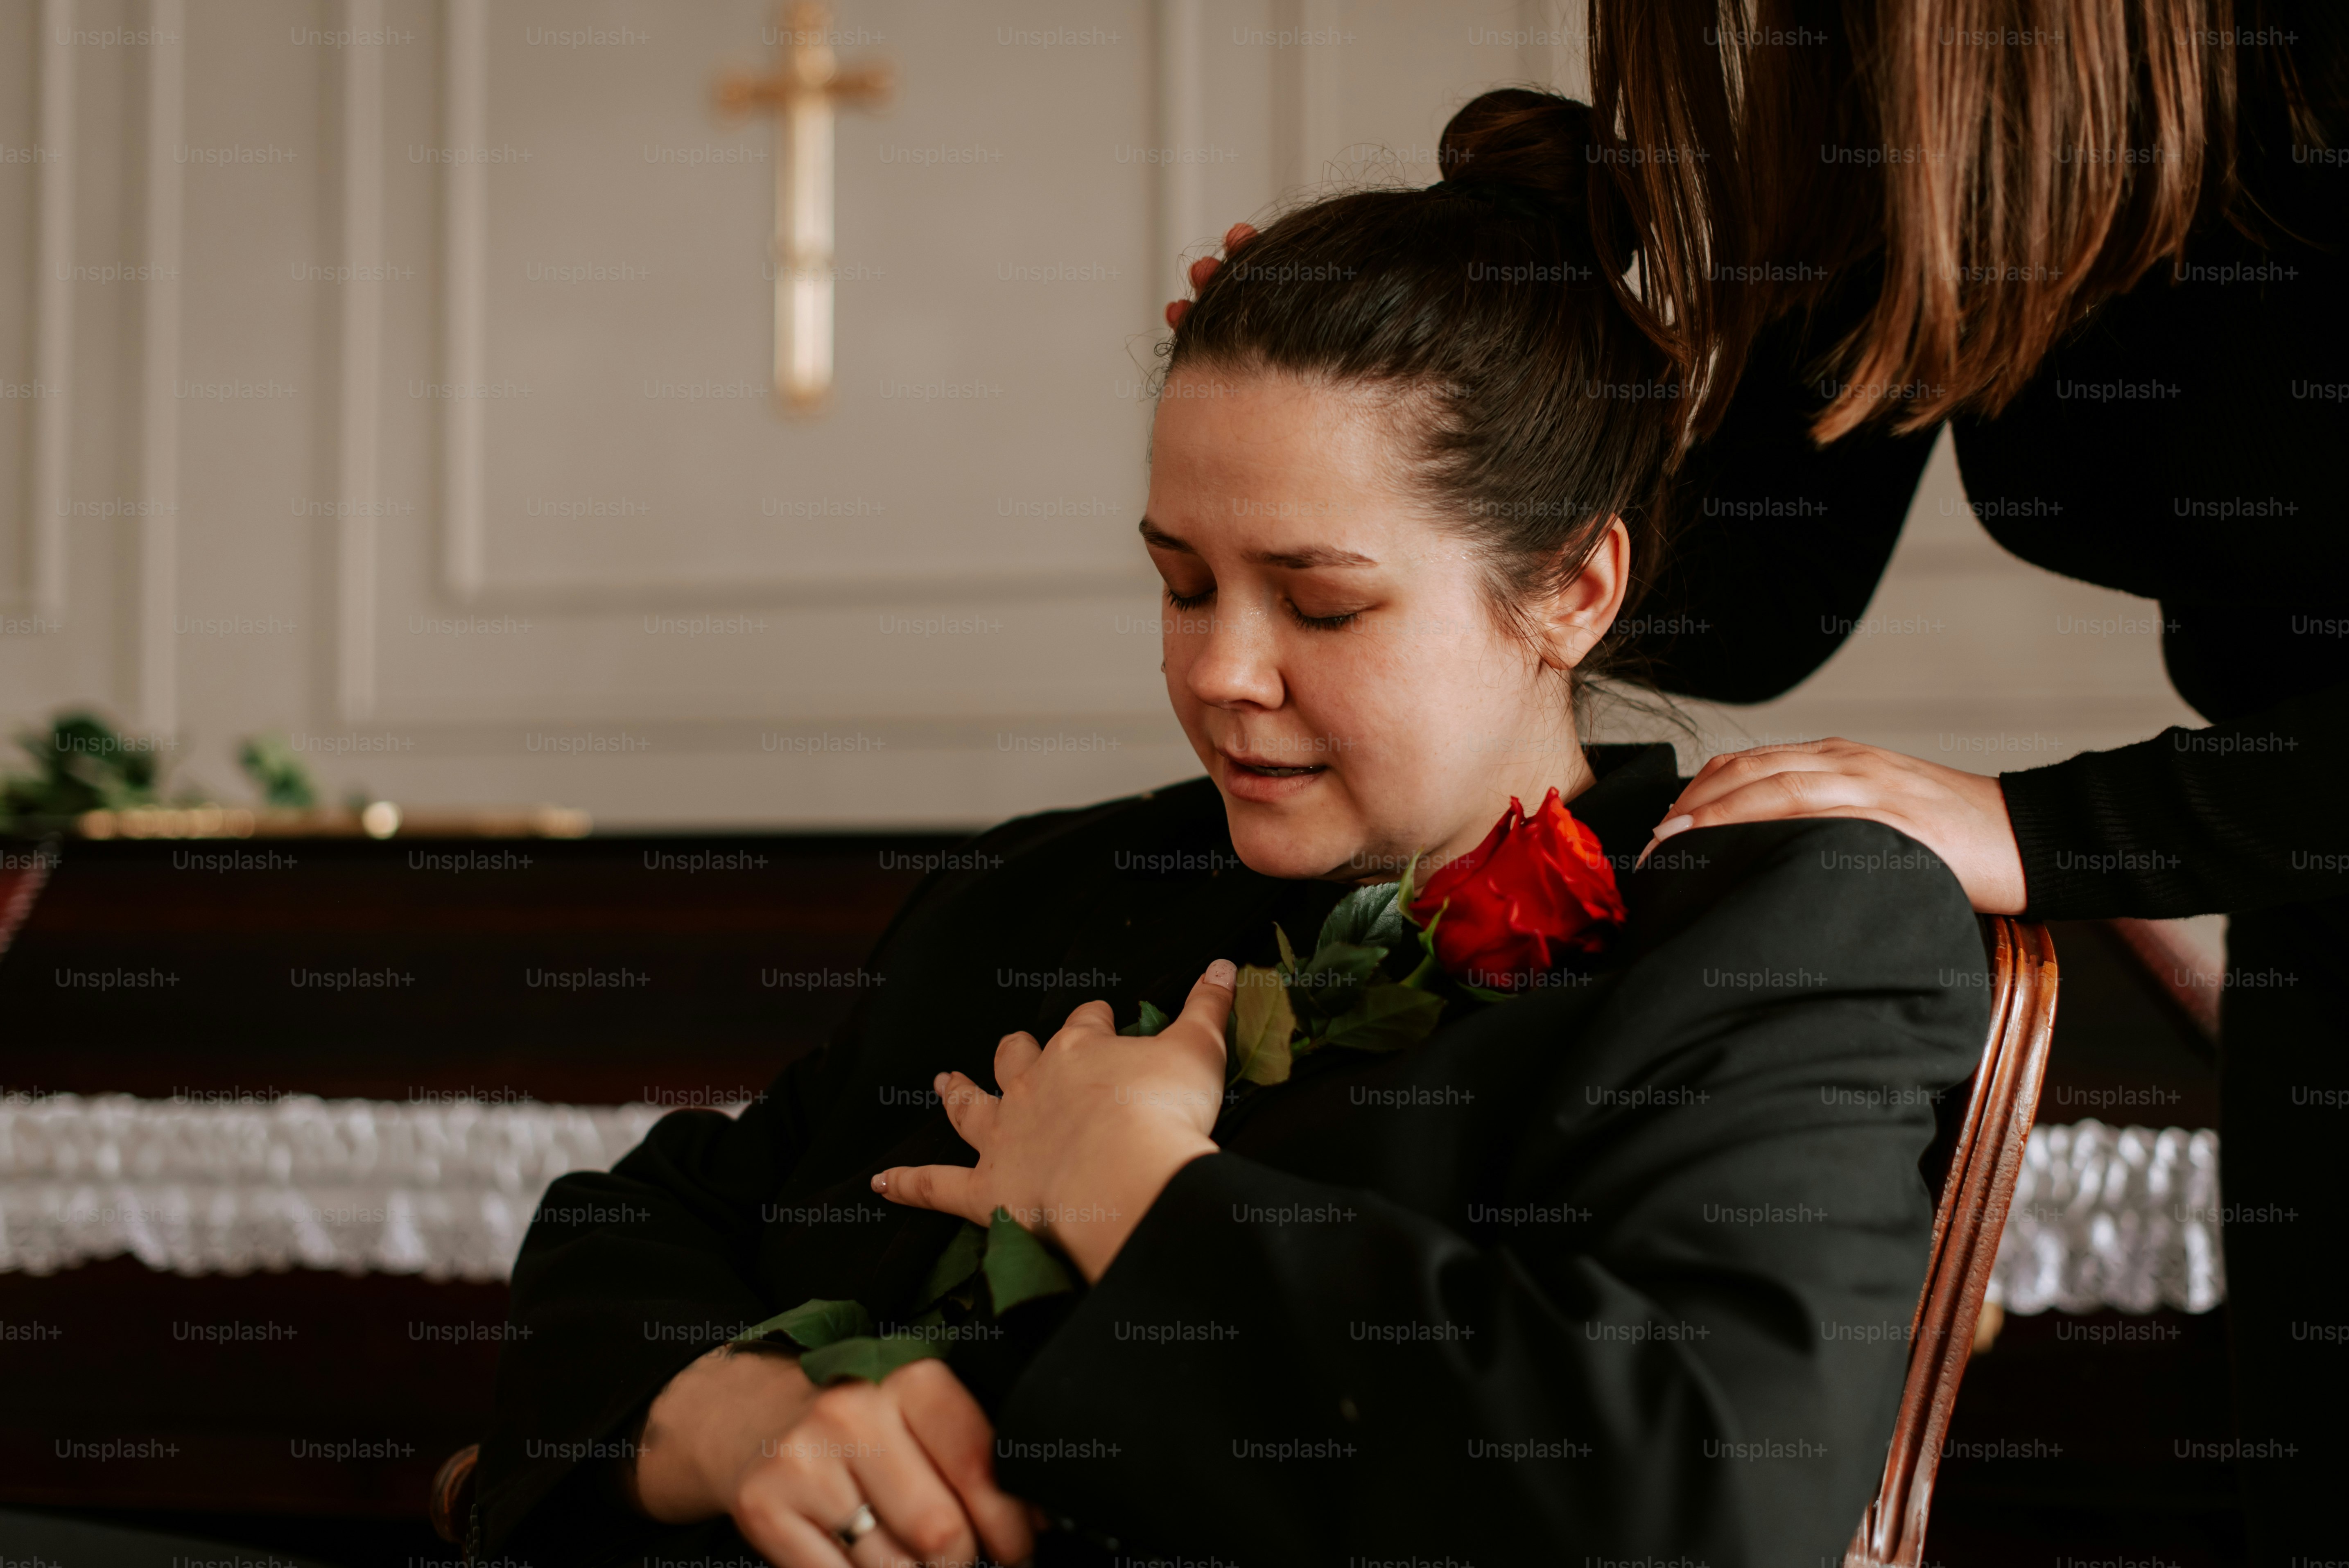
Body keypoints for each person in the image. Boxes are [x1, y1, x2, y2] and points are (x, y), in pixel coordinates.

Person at [479, 90, 1989, 1568]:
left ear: (1572, 591)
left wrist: (1137, 1189)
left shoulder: (1773, 932)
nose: (1216, 673)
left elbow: (1697, 1502)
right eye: (1182, 585)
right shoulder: (1040, 888)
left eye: (1321, 603)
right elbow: (644, 1230)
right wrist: (726, 1422)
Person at [1169, 9, 2347, 1557]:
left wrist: (2039, 829)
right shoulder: (1883, 105)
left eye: (1314, 610)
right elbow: (1759, 590)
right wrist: (1439, 465)